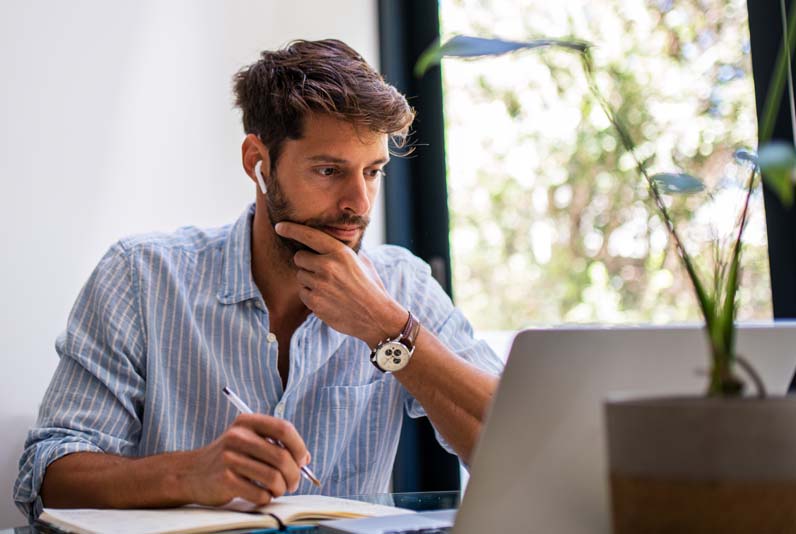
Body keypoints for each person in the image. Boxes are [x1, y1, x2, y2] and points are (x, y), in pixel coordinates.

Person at [14, 39, 502, 521]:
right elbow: (47, 477)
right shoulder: (142, 277)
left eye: (372, 172)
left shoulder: (402, 286)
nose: (359, 202)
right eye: (329, 170)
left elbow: (516, 447)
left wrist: (388, 329)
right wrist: (190, 475)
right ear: (258, 162)